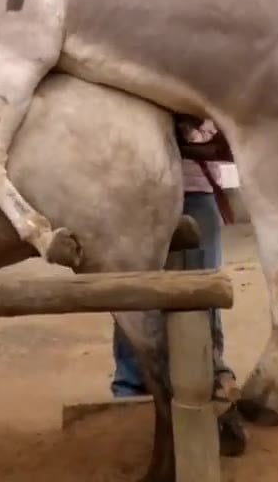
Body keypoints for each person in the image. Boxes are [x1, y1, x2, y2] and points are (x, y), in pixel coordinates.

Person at [109, 118, 236, 398]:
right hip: (138, 190)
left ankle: (210, 371)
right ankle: (132, 384)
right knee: (135, 288)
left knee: (203, 287)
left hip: (194, 188)